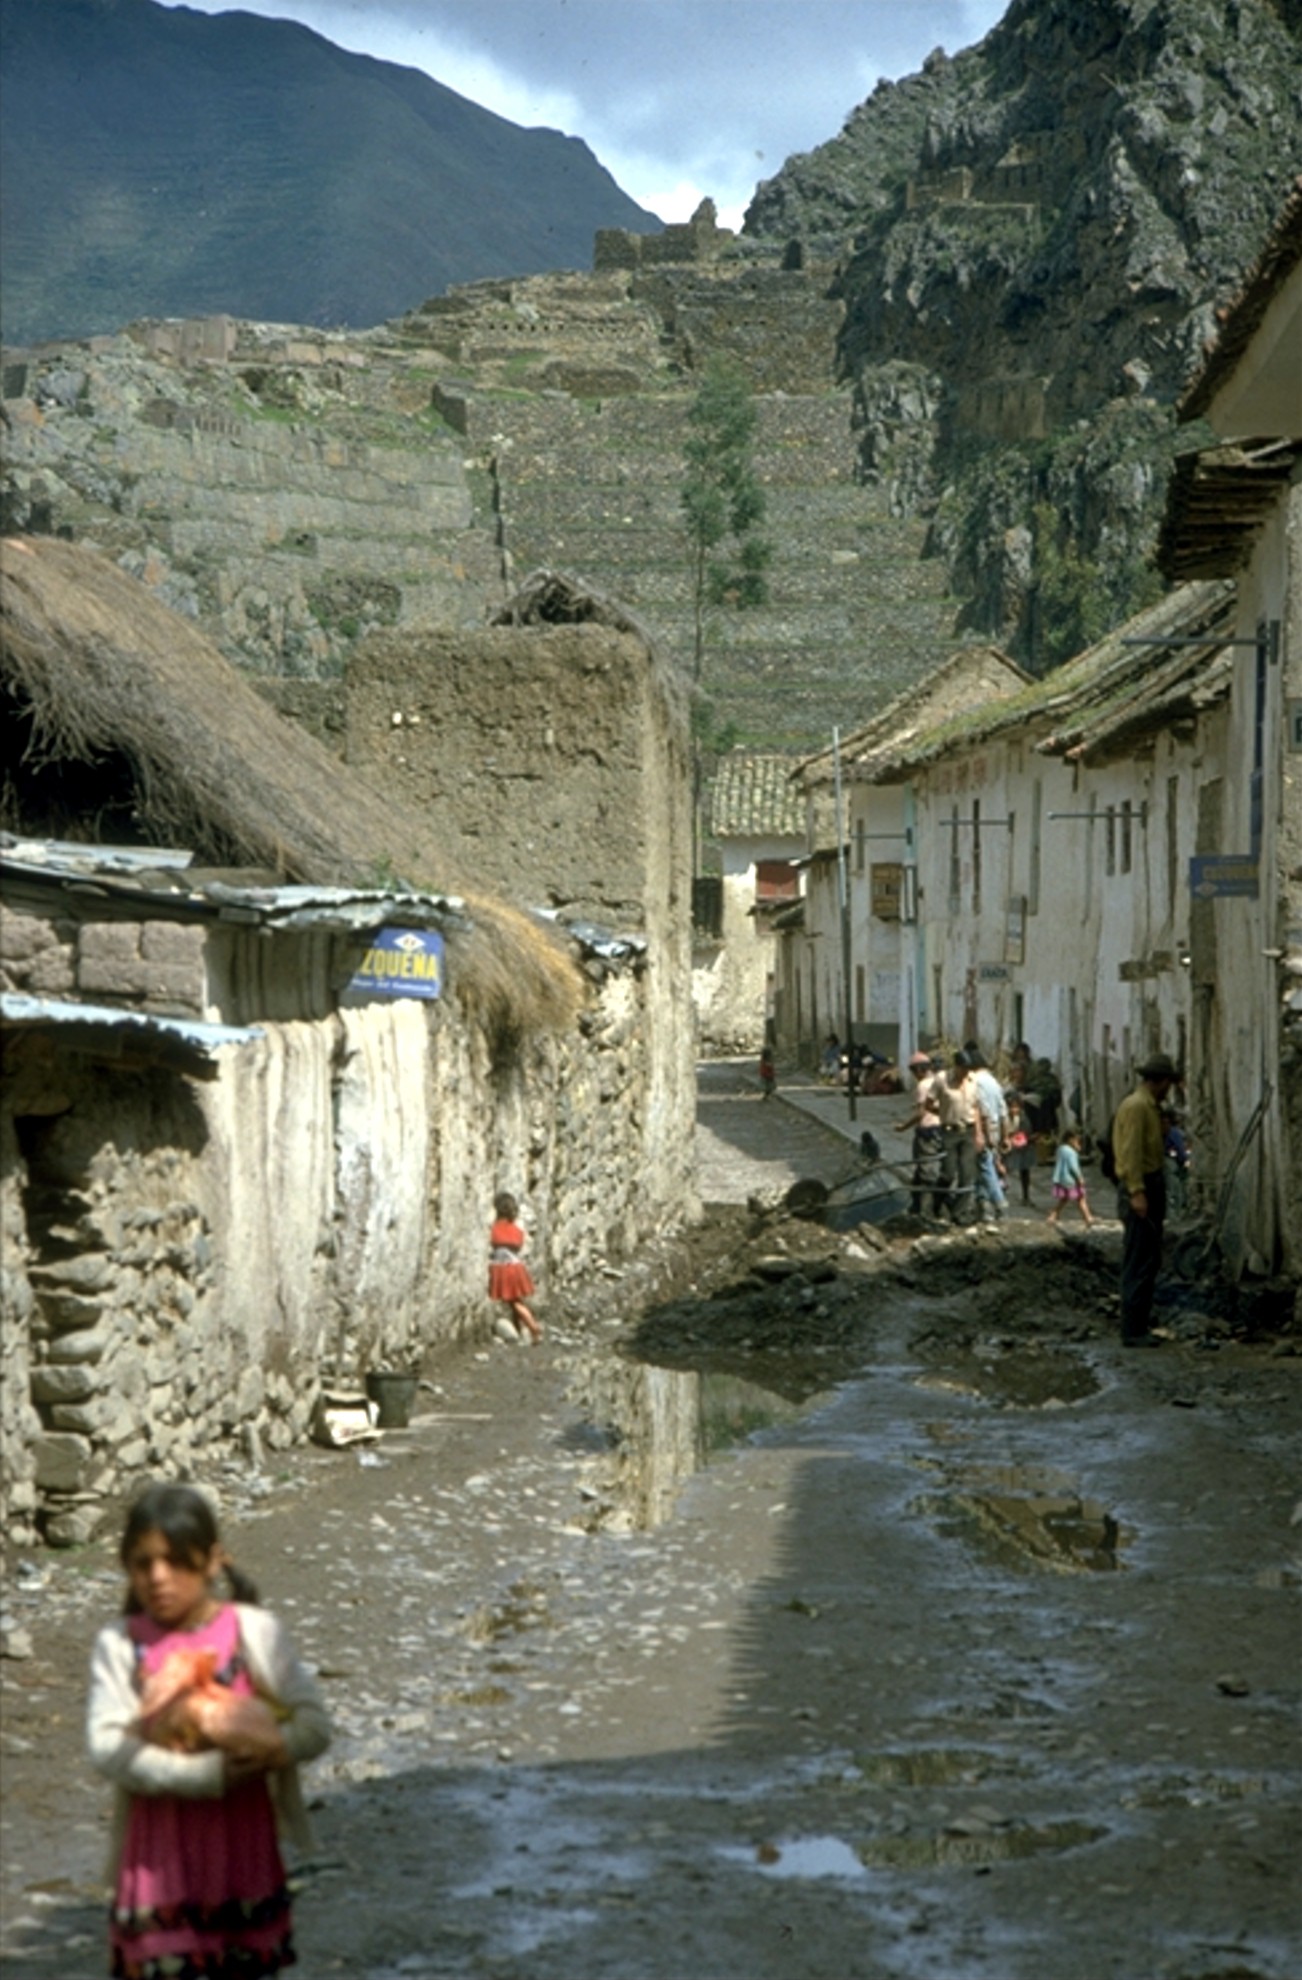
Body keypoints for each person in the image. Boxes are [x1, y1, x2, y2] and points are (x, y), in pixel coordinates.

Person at [87, 1482, 331, 1980]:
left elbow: (314, 1726)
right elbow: (108, 1747)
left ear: (213, 1560)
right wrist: (208, 1773)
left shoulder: (253, 1632)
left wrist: (272, 1748)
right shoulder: (121, 1644)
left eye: (176, 1561)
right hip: (157, 1862)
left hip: (241, 1853)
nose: (158, 1577)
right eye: (143, 1563)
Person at [1112, 1051, 1179, 1345]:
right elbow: (1130, 1154)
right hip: (1142, 1187)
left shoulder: (1150, 1108)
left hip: (1150, 1184)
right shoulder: (1138, 1107)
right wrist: (1137, 1192)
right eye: (1169, 1083)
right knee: (1140, 1259)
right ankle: (1133, 1330)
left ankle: (1138, 1323)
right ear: (1161, 1081)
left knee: (1148, 1258)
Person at [895, 1050, 944, 1218]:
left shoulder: (923, 1085)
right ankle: (916, 1206)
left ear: (919, 1070)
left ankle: (926, 1210)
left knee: (926, 1171)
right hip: (940, 1129)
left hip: (927, 1131)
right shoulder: (939, 1081)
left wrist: (904, 1126)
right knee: (923, 1168)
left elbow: (921, 1113)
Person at [489, 1190, 542, 1342]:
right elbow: (517, 1243)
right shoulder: (516, 1230)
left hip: (505, 1269)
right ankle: (521, 1328)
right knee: (516, 1300)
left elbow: (494, 1240)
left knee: (515, 1302)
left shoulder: (497, 1229)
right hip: (516, 1267)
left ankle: (533, 1327)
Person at [966, 1046, 1010, 1224]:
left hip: (982, 1128)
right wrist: (1005, 1136)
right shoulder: (994, 1082)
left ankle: (999, 1202)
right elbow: (1003, 1112)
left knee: (985, 1167)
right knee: (984, 1167)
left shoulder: (974, 1082)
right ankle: (982, 1207)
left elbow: (980, 1110)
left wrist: (980, 1134)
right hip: (996, 1127)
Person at [936, 1051, 979, 1226]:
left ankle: (958, 1213)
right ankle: (936, 1203)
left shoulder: (973, 1080)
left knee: (967, 1175)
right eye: (963, 1069)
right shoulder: (942, 1079)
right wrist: (944, 1114)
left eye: (968, 1069)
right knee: (948, 1173)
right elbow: (929, 1103)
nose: (965, 1073)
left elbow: (976, 1107)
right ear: (956, 1066)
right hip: (949, 1132)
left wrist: (980, 1134)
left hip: (968, 1131)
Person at [1046, 1127, 1094, 1228]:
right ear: (1071, 1140)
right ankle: (1087, 1217)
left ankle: (1054, 1214)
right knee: (1081, 1198)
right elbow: (1073, 1167)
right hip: (1071, 1180)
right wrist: (1079, 1178)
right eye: (1077, 1141)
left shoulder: (1061, 1149)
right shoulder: (1071, 1153)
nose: (1079, 1144)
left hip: (1062, 1179)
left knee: (1064, 1198)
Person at [1005, 1095, 1036, 1206]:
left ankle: (1026, 1196)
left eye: (1016, 1107)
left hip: (1023, 1147)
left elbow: (1027, 1132)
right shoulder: (1004, 1118)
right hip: (1008, 1146)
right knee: (1004, 1171)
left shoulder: (1023, 1118)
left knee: (1024, 1171)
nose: (1014, 1110)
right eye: (1011, 1107)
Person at [1163, 1106, 1192, 1218]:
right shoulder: (1173, 1133)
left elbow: (1181, 1150)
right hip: (1170, 1163)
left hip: (1172, 1162)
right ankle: (1174, 1214)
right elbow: (1179, 1151)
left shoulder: (1175, 1133)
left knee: (1174, 1188)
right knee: (1174, 1189)